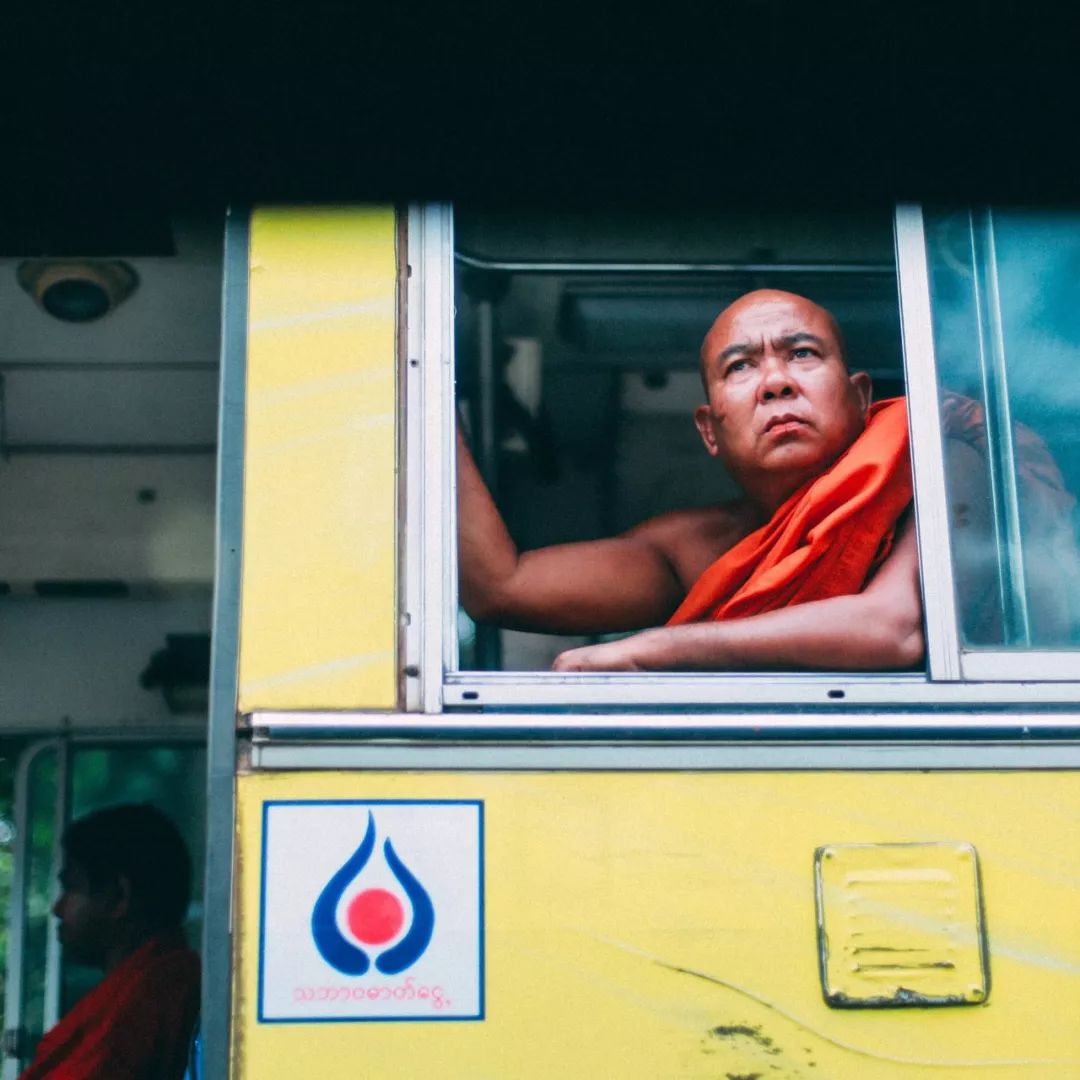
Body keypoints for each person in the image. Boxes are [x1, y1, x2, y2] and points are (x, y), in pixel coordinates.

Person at [457, 288, 923, 672]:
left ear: (861, 396)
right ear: (709, 430)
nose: (775, 382)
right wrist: (423, 386)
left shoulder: (931, 463)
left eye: (802, 353)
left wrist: (652, 649)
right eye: (740, 366)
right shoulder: (693, 549)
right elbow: (500, 588)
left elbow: (892, 628)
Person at [19, 804, 200, 1080]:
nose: (57, 908)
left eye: (71, 888)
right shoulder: (140, 986)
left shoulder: (154, 992)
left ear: (119, 896)